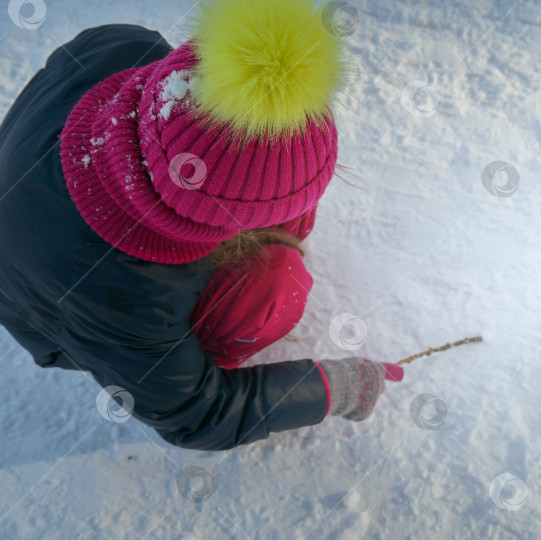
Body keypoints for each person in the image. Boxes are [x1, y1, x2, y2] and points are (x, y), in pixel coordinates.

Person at [0, 0, 404, 451]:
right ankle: (214, 345)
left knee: (281, 199)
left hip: (43, 200)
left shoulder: (121, 47)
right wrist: (330, 387)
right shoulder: (127, 294)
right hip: (54, 312)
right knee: (271, 283)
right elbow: (198, 415)